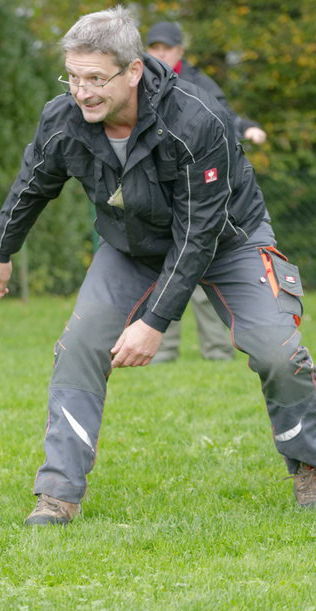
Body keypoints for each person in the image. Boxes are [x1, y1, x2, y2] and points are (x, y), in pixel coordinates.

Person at [0, 6, 316, 524]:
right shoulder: (64, 119)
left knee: (277, 351)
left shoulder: (196, 119)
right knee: (80, 344)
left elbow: (198, 233)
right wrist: (0, 252)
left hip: (230, 241)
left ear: (133, 71)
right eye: (72, 77)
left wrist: (154, 322)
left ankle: (310, 464)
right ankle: (58, 494)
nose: (82, 91)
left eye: (95, 78)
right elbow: (32, 186)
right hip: (131, 246)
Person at [145, 20, 267, 363]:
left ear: (180, 51)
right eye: (153, 48)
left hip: (201, 186)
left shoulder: (200, 83)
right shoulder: (139, 81)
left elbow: (225, 117)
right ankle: (160, 351)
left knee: (204, 265)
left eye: (165, 48)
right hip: (162, 190)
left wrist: (248, 127)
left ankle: (217, 351)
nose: (159, 54)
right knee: (163, 265)